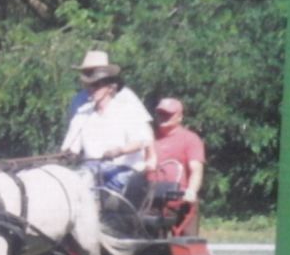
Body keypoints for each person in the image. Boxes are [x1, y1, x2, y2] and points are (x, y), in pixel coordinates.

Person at [61, 51, 156, 194]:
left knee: (105, 190)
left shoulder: (127, 105)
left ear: (110, 87)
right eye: (88, 84)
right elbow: (71, 147)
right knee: (71, 188)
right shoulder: (81, 112)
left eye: (96, 85)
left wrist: (120, 151)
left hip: (123, 168)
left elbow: (143, 139)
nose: (91, 89)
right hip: (90, 169)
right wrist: (68, 154)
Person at [150, 97, 205, 235]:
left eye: (168, 114)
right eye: (161, 113)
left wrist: (191, 191)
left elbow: (196, 170)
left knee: (185, 245)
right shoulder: (149, 138)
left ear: (180, 117)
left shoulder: (190, 139)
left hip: (180, 200)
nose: (163, 117)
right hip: (153, 200)